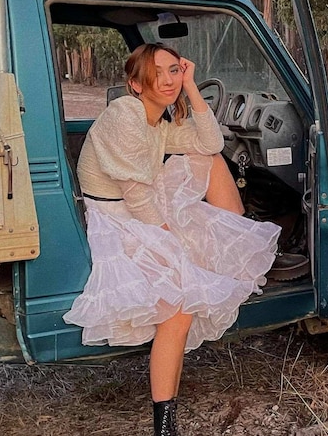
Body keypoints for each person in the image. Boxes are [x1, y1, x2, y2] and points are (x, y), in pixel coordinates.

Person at [63, 43, 281, 436]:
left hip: (137, 206)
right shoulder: (124, 116)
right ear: (134, 84)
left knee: (210, 159)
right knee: (179, 306)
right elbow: (137, 196)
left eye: (174, 70)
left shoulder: (159, 120)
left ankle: (236, 230)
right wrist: (172, 246)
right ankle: (164, 423)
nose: (168, 79)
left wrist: (193, 87)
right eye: (157, 73)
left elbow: (212, 143)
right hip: (114, 218)